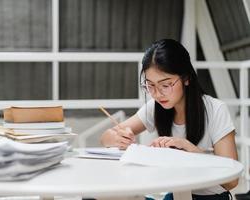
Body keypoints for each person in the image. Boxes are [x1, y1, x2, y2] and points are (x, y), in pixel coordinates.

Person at [100, 39, 238, 200]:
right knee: (103, 196)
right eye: (150, 85)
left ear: (186, 78)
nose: (157, 94)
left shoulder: (215, 110)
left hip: (210, 198)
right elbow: (105, 138)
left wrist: (190, 150)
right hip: (175, 195)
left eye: (165, 85)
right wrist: (118, 138)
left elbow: (232, 181)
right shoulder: (155, 107)